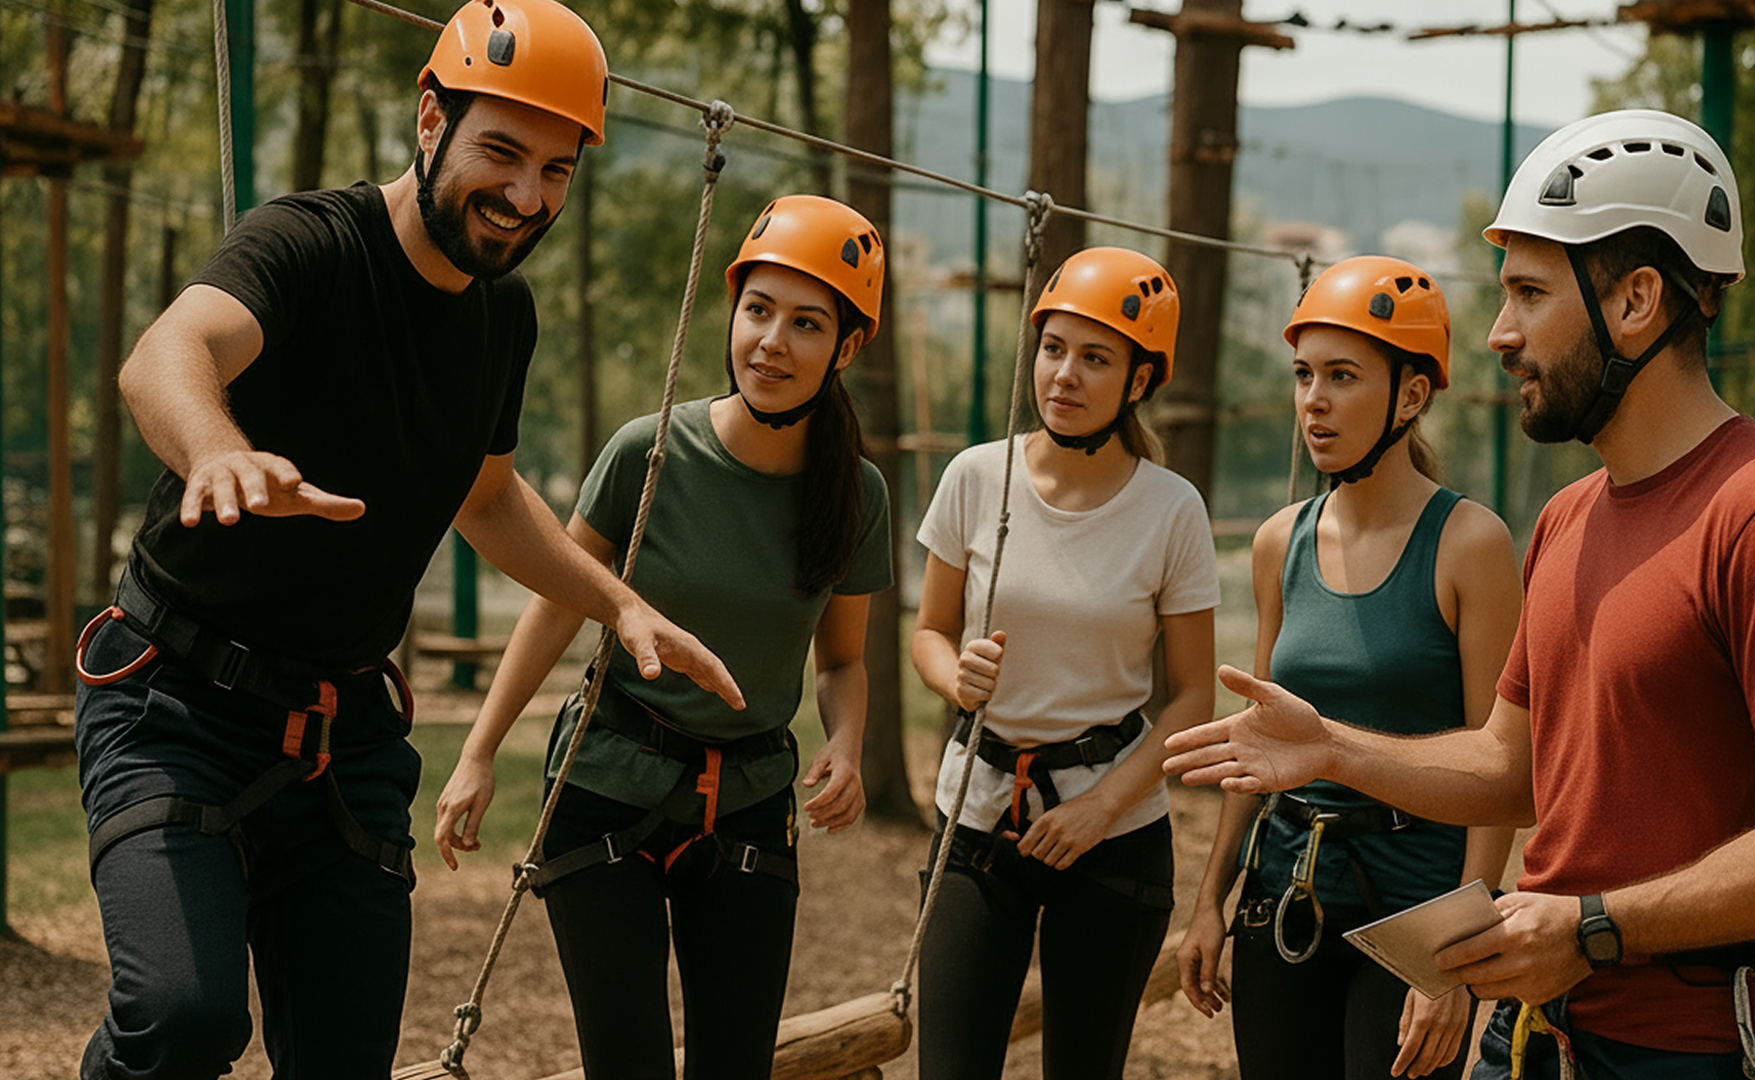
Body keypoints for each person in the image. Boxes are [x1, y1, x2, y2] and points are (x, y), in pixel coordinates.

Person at [69, 3, 742, 1077]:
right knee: (185, 1017)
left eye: (557, 171)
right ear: (431, 119)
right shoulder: (307, 243)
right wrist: (218, 452)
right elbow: (164, 357)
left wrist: (620, 604)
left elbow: (489, 499)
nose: (527, 196)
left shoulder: (502, 317)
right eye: (502, 152)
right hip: (176, 706)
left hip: (344, 746)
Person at [1165, 109, 1755, 1079]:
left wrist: (1594, 929)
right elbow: (1515, 770)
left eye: (1529, 293)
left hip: (1697, 1051)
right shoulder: (1568, 518)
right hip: (1537, 1035)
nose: (1500, 335)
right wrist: (1333, 749)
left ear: (1637, 300)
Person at [432, 193, 891, 1079]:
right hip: (608, 782)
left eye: (806, 324)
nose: (771, 342)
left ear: (847, 345)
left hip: (749, 795)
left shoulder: (855, 495)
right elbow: (557, 602)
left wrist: (846, 740)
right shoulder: (648, 454)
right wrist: (479, 753)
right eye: (758, 310)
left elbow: (842, 660)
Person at [1175, 255, 1523, 1079]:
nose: (1313, 400)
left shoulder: (1471, 544)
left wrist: (1458, 953)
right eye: (1304, 375)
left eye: (1342, 376)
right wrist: (1209, 903)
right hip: (1284, 894)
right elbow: (1258, 744)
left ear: (1411, 394)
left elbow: (1499, 770)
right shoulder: (1279, 542)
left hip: (1416, 912)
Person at [910, 246, 1220, 1080]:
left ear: (1140, 379)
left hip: (1114, 832)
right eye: (1053, 349)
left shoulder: (1171, 509)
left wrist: (1100, 808)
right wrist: (951, 675)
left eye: (1095, 358)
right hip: (978, 816)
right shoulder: (976, 476)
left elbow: (1193, 695)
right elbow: (930, 631)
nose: (1065, 375)